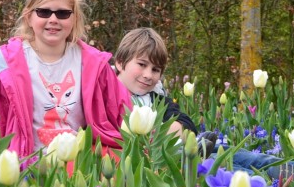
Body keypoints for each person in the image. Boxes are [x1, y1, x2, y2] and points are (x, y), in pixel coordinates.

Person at [0, 0, 131, 161]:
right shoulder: (6, 64)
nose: (53, 19)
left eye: (63, 13)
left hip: (78, 165)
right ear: (28, 16)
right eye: (43, 12)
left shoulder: (93, 64)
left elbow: (123, 113)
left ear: (74, 18)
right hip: (28, 165)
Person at [113, 27, 283, 178]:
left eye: (155, 70)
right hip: (163, 158)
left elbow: (187, 123)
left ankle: (285, 167)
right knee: (219, 164)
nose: (148, 75)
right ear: (120, 62)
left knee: (234, 153)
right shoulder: (108, 96)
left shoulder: (156, 98)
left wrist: (173, 130)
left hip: (183, 147)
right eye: (142, 65)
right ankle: (267, 180)